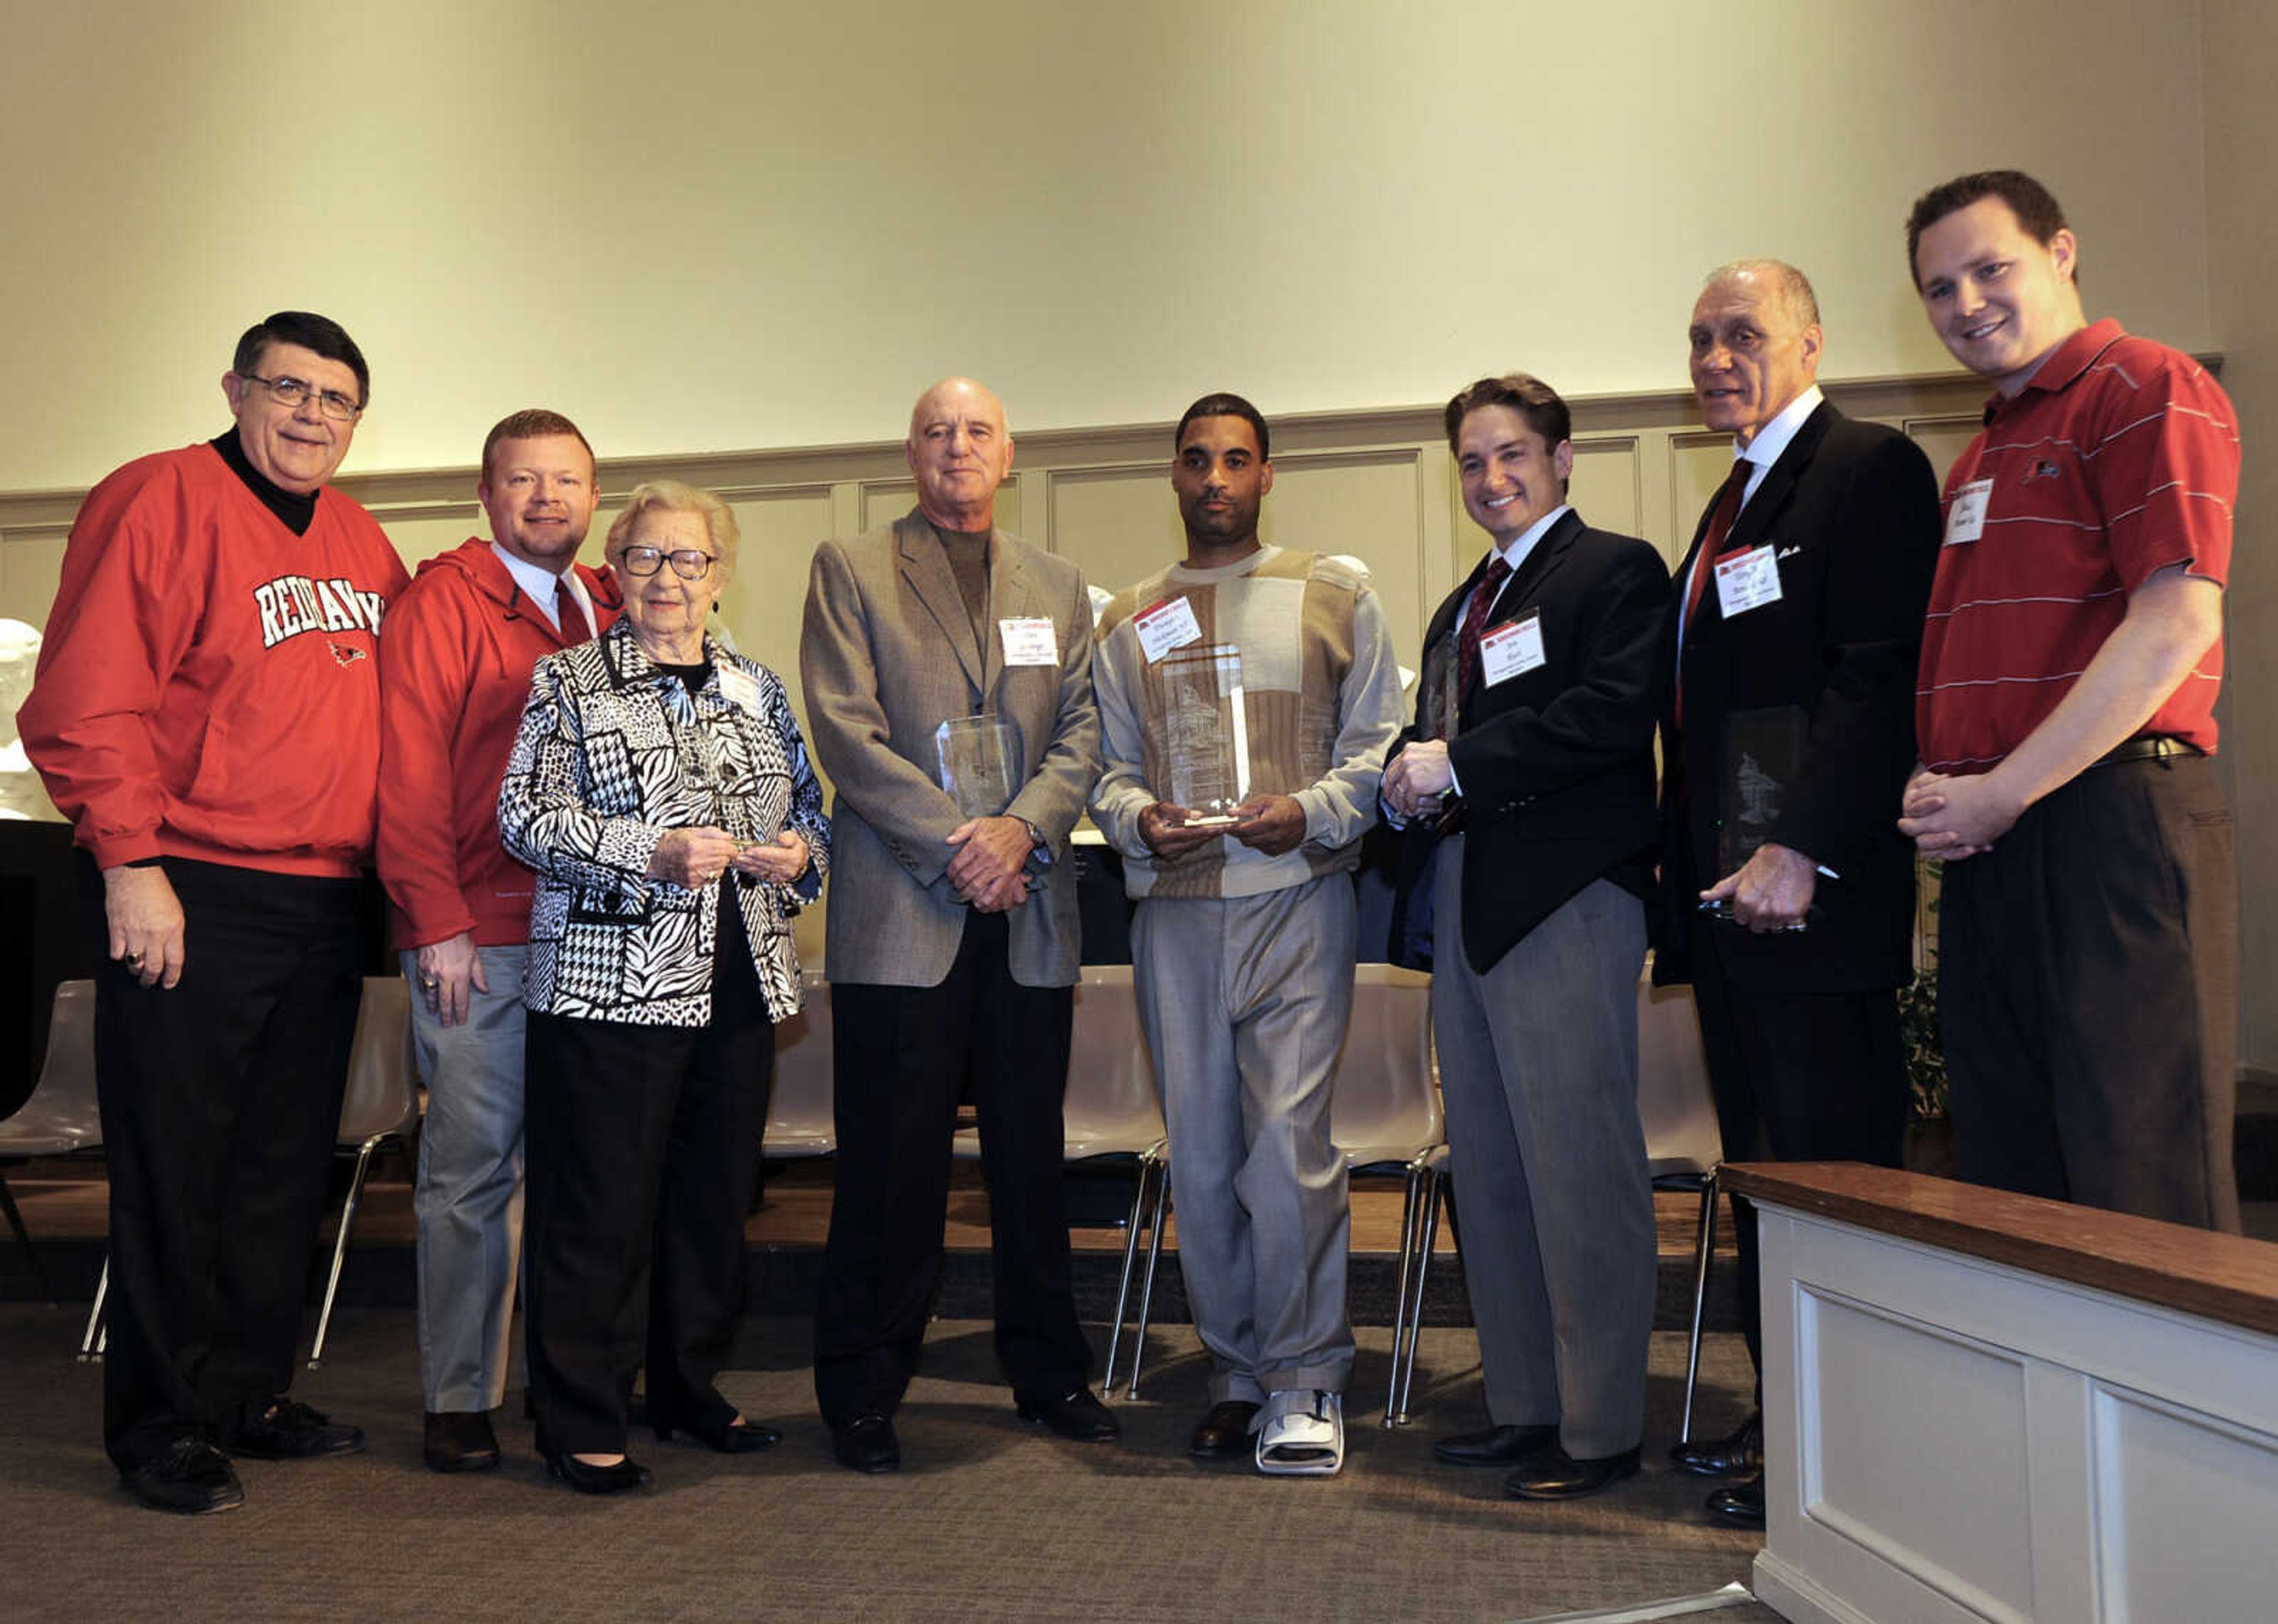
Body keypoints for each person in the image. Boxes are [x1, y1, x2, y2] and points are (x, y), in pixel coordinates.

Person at [20, 311, 409, 1514]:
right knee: (178, 1164)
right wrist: (132, 864)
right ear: (238, 388)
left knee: (284, 1169)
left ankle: (247, 1390)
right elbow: (88, 699)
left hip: (324, 897)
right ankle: (159, 1421)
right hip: (192, 882)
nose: (310, 416)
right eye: (288, 389)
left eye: (336, 399)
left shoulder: (361, 540)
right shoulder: (159, 497)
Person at [1656, 262, 1942, 1527]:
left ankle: (1865, 1449)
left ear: (1812, 342)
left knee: (1838, 1184)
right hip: (1734, 910)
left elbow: (1878, 680)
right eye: (1703, 338)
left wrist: (1802, 850)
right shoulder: (1733, 498)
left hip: (1809, 905)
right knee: (1770, 1178)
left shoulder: (1867, 468)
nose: (1720, 356)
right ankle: (1796, 1424)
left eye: (1746, 333)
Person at [1899, 171, 2240, 1232]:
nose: (1966, 304)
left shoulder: (2147, 386)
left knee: (2141, 1182)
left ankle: (2186, 1407)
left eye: (1989, 268)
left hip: (2112, 822)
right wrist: (1948, 778)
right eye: (1938, 288)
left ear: (2062, 254)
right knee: (2017, 1186)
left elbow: (2176, 623)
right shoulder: (1978, 457)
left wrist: (2000, 789)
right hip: (1998, 848)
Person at [800, 376, 1111, 1473]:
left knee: (1029, 1164)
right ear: (911, 453)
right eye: (937, 431)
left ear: (1010, 452)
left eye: (977, 430)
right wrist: (962, 844)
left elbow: (1085, 731)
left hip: (1028, 912)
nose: (957, 447)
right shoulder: (852, 568)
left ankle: (1048, 1371)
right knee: (893, 1168)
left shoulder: (1063, 586)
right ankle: (865, 1389)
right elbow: (846, 736)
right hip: (905, 911)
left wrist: (1019, 832)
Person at [1090, 393, 1403, 1475]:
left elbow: (1381, 748)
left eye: (1236, 459)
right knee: (1207, 1154)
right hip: (1176, 917)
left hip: (1297, 901)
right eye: (1195, 460)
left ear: (1268, 474)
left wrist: (1308, 813)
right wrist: (1138, 820)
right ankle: (1233, 1372)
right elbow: (1109, 769)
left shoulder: (1336, 591)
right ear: (1172, 476)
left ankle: (1307, 1377)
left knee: (1289, 1150)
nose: (1215, 477)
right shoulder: (1127, 616)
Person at [497, 479, 829, 1494]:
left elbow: (815, 817)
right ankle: (579, 1413)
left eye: (688, 560)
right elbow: (525, 817)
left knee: (709, 1201)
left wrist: (795, 855)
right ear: (616, 571)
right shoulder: (571, 681)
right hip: (609, 990)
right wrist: (649, 850)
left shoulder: (757, 686)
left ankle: (684, 1386)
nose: (667, 579)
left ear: (719, 576)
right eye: (644, 558)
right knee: (599, 1210)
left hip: (738, 980)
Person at [1380, 374, 1669, 1502]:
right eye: (1470, 462)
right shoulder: (1463, 603)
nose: (1491, 478)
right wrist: (1408, 787)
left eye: (1512, 455)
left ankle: (1600, 1428)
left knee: (1579, 1166)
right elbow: (1434, 736)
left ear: (1560, 459)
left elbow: (1610, 713)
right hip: (1466, 899)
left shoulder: (1614, 571)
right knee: (1491, 1168)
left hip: (1567, 901)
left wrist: (1457, 766)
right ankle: (1525, 1406)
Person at [377, 408, 622, 1473]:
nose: (546, 498)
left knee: (583, 1173)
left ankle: (558, 1382)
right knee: (473, 1174)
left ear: (593, 494)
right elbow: (410, 773)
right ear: (486, 495)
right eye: (522, 481)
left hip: (602, 936)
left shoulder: (608, 603)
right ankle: (458, 1397)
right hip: (481, 936)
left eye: (565, 480)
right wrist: (436, 924)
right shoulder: (444, 604)